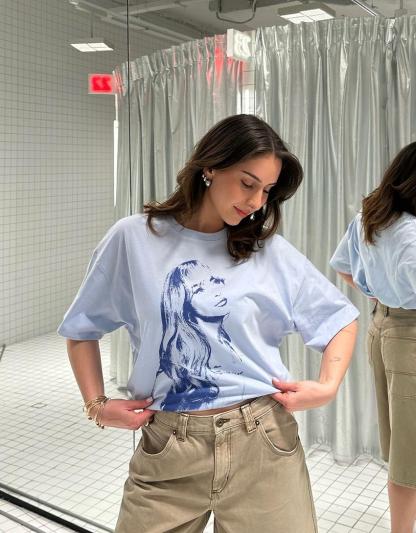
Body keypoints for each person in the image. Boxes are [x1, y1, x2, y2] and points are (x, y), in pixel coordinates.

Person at [58, 114, 359, 533]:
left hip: (262, 440)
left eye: (267, 191)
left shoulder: (267, 251)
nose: (256, 202)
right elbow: (81, 329)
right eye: (247, 183)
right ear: (211, 167)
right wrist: (96, 405)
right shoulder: (133, 238)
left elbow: (340, 319)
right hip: (169, 446)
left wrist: (327, 386)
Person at [330, 142, 416, 533]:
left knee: (402, 445)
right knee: (408, 455)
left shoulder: (372, 217)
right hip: (409, 336)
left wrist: (376, 293)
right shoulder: (411, 233)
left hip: (384, 331)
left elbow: (342, 267)